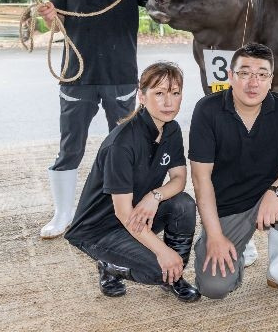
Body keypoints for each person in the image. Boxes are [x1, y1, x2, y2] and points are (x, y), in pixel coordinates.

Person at [37, 0, 166, 239]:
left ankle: (127, 212)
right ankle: (63, 214)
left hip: (121, 74)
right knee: (71, 147)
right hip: (76, 75)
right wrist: (51, 16)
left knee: (125, 145)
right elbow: (60, 19)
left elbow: (160, 10)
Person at [64, 62, 200, 302]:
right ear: (142, 96)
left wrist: (154, 196)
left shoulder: (172, 129)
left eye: (175, 93)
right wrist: (162, 250)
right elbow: (123, 213)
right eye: (159, 93)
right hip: (100, 229)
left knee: (183, 204)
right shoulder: (122, 143)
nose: (168, 102)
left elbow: (179, 179)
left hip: (136, 214)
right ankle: (110, 265)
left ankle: (174, 276)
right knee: (156, 270)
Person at [189, 43, 278, 300]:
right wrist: (214, 235)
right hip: (228, 206)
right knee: (214, 288)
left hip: (268, 199)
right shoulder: (207, 110)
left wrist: (276, 190)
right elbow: (201, 181)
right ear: (230, 76)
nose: (253, 82)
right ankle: (227, 244)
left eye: (261, 74)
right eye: (245, 73)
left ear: (271, 80)